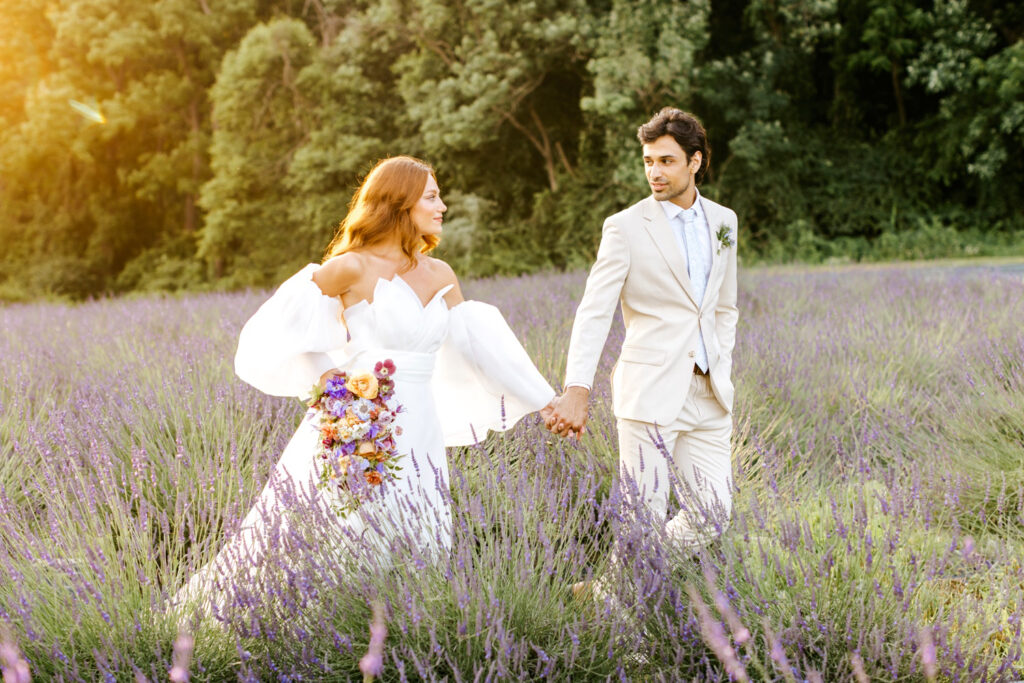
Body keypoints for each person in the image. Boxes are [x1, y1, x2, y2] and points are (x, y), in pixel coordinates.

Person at [176, 156, 555, 615]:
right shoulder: (350, 267)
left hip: (420, 428)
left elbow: (480, 346)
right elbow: (281, 325)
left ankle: (399, 639)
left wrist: (545, 400)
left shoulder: (440, 274)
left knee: (420, 532)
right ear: (400, 203)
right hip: (360, 423)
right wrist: (324, 378)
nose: (443, 206)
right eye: (432, 196)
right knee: (346, 534)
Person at [545, 108, 739, 570]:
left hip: (709, 392)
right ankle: (624, 636)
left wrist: (720, 357)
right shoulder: (625, 227)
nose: (655, 171)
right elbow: (594, 311)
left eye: (667, 161)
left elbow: (724, 305)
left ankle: (613, 588)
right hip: (649, 390)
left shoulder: (723, 221)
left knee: (714, 515)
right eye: (649, 160)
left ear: (695, 162)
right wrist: (577, 389)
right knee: (642, 521)